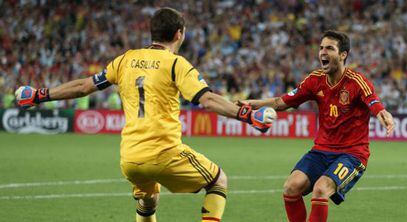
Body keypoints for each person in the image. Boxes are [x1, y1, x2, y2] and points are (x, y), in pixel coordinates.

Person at [15, 8, 274, 222]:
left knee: (149, 200)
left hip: (130, 158)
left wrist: (40, 94)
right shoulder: (176, 64)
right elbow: (206, 99)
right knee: (218, 181)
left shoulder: (126, 59)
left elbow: (83, 86)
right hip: (163, 152)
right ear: (179, 34)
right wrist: (247, 115)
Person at [239, 30, 395, 222]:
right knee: (291, 186)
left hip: (353, 154)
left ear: (342, 55)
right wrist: (253, 104)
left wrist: (383, 113)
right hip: (321, 151)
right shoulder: (315, 80)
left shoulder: (356, 82)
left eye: (329, 48)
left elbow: (374, 102)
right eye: (321, 48)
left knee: (321, 189)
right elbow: (281, 102)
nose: (323, 52)